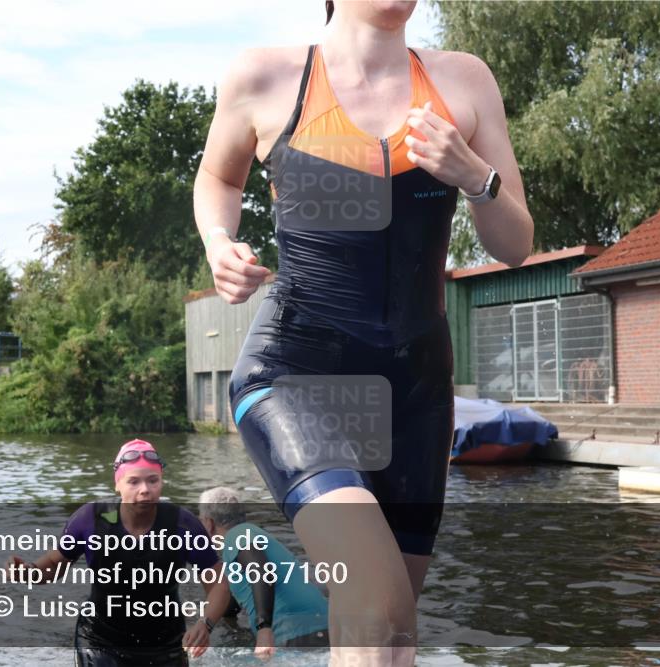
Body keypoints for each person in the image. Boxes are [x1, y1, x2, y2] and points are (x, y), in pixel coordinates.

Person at [193, 1, 533, 664]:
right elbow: (217, 176)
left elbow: (516, 244)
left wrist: (473, 175)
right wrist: (218, 242)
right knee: (376, 604)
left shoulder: (465, 81)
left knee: (391, 631)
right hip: (296, 377)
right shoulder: (265, 76)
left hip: (415, 393)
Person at [7, 439, 233, 667]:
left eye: (152, 480)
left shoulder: (183, 524)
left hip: (166, 642)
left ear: (161, 481)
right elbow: (56, 563)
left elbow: (219, 585)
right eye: (133, 481)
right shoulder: (91, 519)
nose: (145, 489)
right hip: (99, 640)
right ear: (118, 484)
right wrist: (29, 572)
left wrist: (205, 624)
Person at [199, 487, 329, 661]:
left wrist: (264, 629)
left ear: (208, 523)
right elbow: (231, 607)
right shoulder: (250, 538)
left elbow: (261, 570)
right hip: (325, 626)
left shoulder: (237, 536)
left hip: (292, 633)